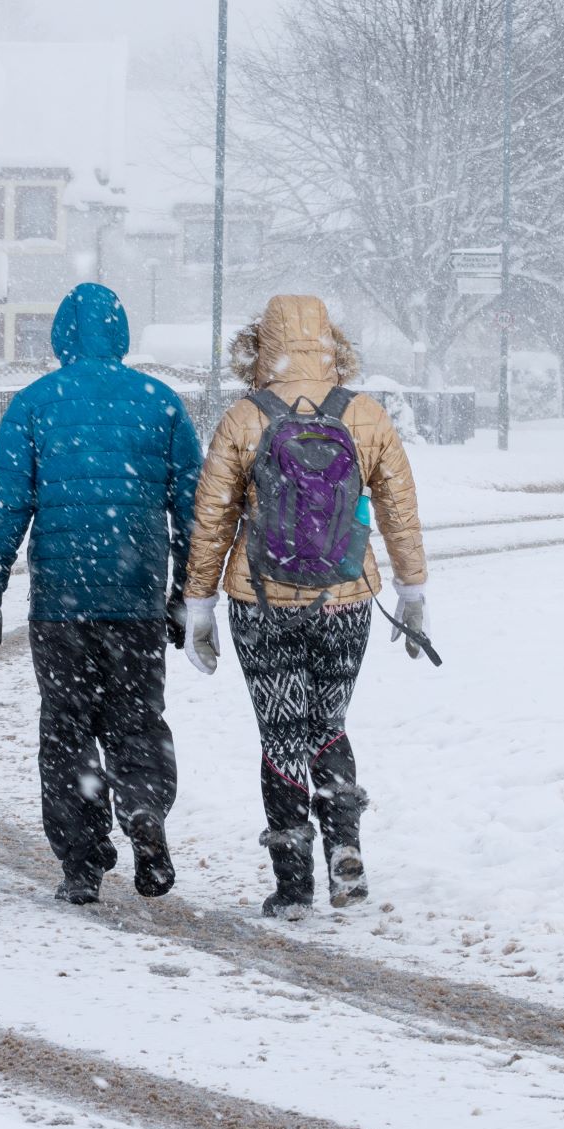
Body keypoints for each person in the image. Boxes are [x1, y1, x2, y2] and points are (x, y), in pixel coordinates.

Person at [179, 294, 427, 918]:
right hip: (347, 598)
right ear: (333, 344)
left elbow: (211, 518)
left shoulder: (244, 417)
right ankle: (345, 851)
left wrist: (199, 603)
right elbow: (399, 508)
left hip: (261, 601)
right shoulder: (364, 414)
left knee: (281, 734)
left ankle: (293, 886)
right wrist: (413, 590)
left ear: (259, 347)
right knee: (329, 724)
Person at [0, 282, 203, 906]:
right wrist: (186, 592)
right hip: (135, 597)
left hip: (61, 603)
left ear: (61, 336)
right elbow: (194, 510)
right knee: (136, 720)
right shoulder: (160, 403)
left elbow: (6, 510)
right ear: (121, 333)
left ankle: (81, 860)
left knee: (67, 728)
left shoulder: (34, 404)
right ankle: (144, 815)